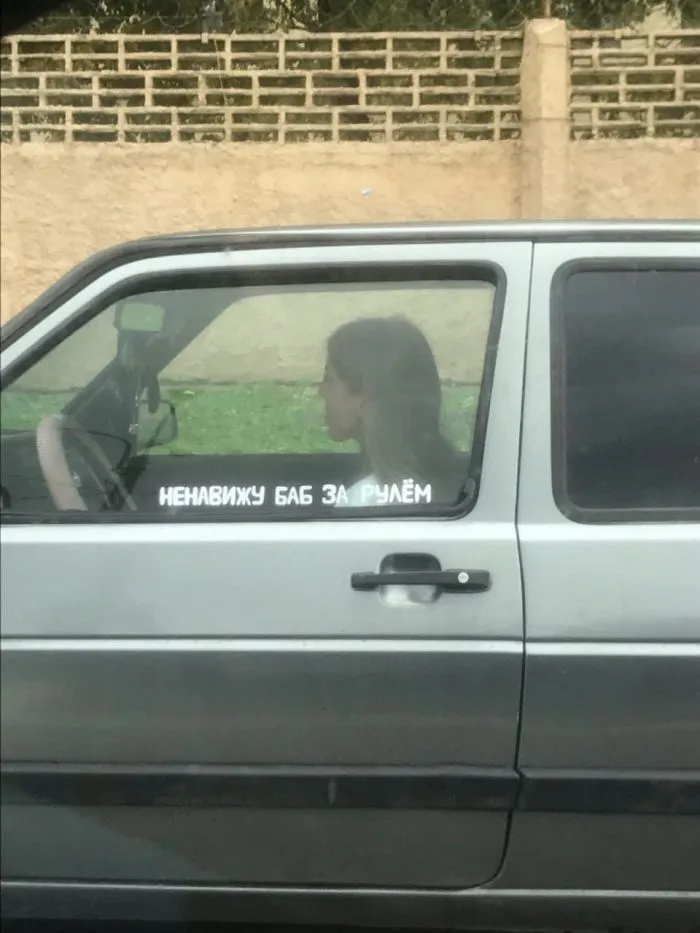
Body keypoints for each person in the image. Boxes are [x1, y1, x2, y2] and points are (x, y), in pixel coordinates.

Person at [320, 315, 459, 508]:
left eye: (329, 381)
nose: (321, 392)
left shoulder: (364, 500)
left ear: (365, 398)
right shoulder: (454, 482)